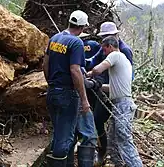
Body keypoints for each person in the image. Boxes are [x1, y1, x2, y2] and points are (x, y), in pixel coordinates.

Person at [43, 10, 92, 167]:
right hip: (68, 94)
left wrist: (50, 83)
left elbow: (45, 63)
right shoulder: (76, 43)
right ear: (83, 27)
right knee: (64, 139)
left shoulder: (55, 38)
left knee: (60, 133)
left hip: (53, 92)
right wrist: (84, 100)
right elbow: (75, 70)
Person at [87, 36, 143, 167]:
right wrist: (96, 85)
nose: (103, 53)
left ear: (110, 47)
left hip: (123, 105)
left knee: (124, 139)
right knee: (113, 141)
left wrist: (87, 75)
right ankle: (118, 164)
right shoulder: (123, 61)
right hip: (120, 103)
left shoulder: (116, 56)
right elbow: (113, 88)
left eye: (104, 50)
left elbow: (97, 69)